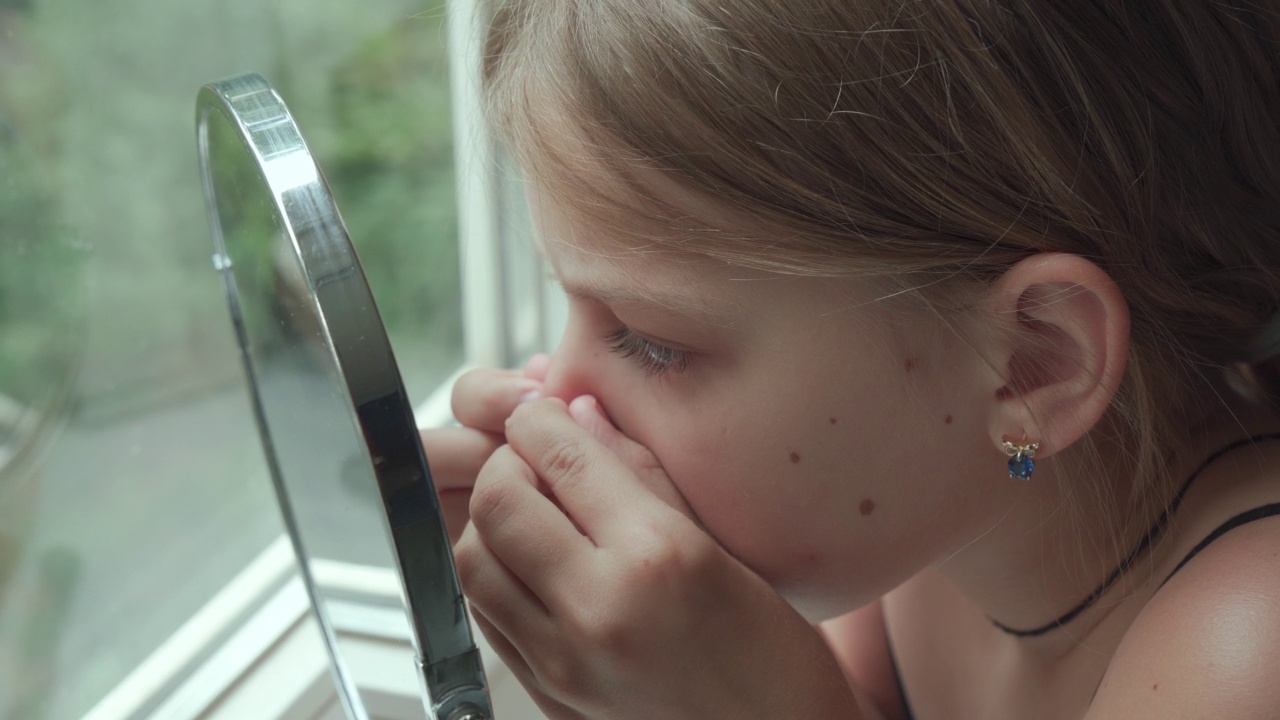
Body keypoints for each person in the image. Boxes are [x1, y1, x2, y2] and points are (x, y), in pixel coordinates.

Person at [419, 2, 1280, 718]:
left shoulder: (1246, 649)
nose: (556, 396)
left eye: (653, 342)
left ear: (1033, 363)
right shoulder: (921, 521)